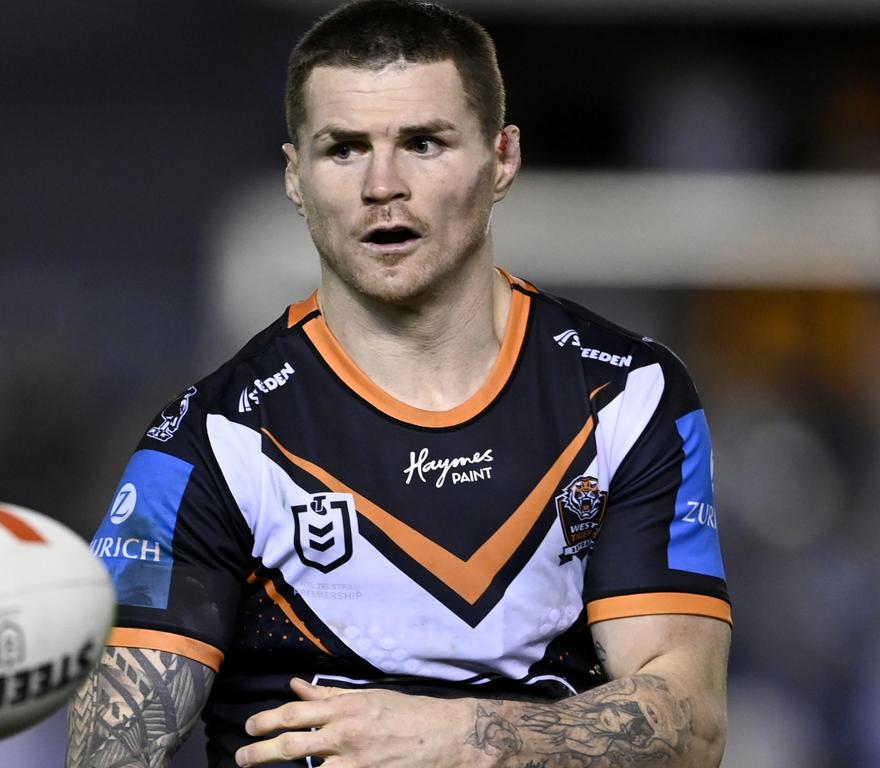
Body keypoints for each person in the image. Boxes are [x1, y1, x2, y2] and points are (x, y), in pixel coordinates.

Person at [66, 1, 731, 766]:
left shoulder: (627, 396)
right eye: (344, 149)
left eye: (422, 143)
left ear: (502, 158)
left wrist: (459, 738)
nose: (383, 184)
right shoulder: (210, 442)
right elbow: (107, 754)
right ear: (295, 177)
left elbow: (693, 725)